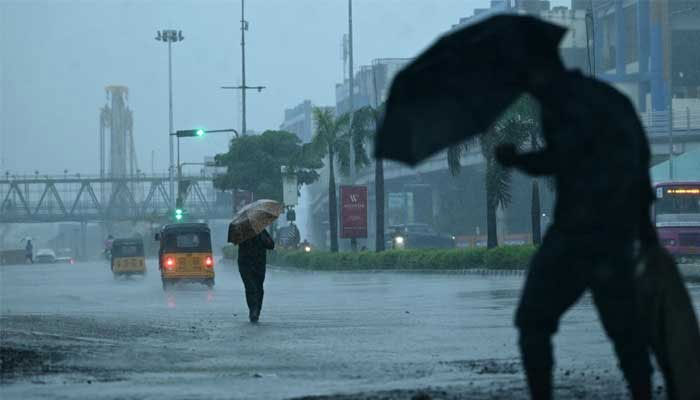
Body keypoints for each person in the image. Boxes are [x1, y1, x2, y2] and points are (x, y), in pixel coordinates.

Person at [495, 62, 657, 400]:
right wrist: (644, 235)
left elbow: (564, 157)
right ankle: (643, 391)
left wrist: (517, 160)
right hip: (616, 236)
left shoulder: (564, 105)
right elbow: (640, 166)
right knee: (626, 331)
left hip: (576, 234)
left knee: (532, 320)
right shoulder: (612, 100)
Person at [237, 229, 274, 323]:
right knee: (250, 288)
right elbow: (236, 242)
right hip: (246, 266)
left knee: (259, 288)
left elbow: (271, 245)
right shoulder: (242, 232)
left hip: (259, 265)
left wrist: (262, 238)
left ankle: (257, 310)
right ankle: (253, 311)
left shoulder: (262, 232)